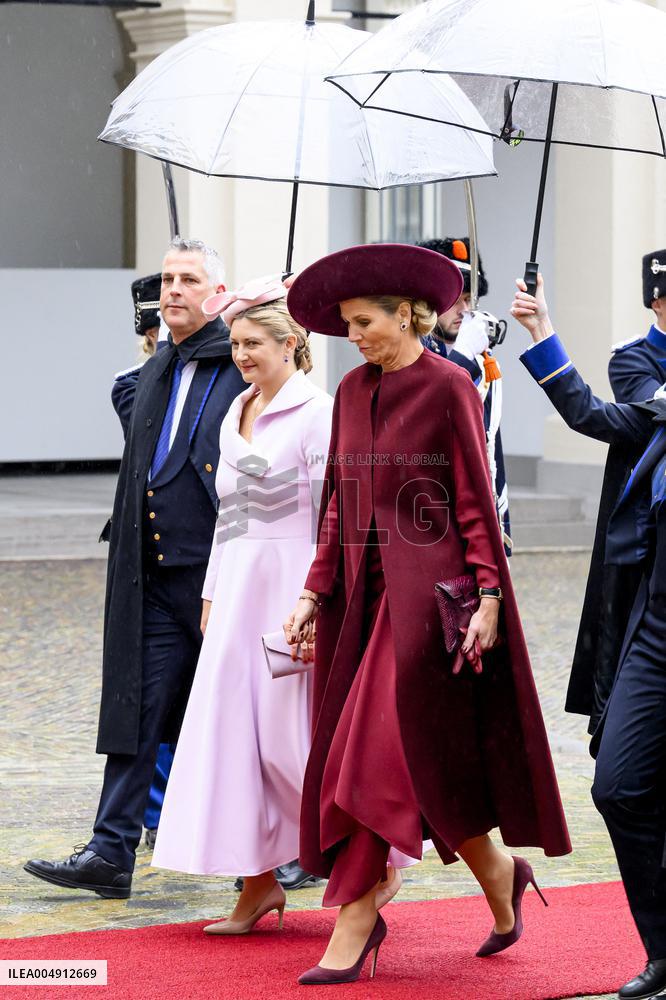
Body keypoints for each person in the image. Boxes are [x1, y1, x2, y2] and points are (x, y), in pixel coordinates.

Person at [283, 243, 571, 986]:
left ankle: (355, 915)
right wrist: (316, 591)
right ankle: (500, 875)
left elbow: (475, 499)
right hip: (358, 601)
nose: (354, 336)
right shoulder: (350, 393)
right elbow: (339, 504)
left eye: (365, 322)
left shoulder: (451, 386)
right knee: (421, 764)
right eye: (346, 325)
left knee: (370, 755)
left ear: (407, 315)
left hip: (429, 604)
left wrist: (491, 598)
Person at [24, 237, 246, 899]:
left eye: (189, 279)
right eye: (169, 278)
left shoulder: (237, 365)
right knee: (136, 715)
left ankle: (264, 856)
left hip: (218, 579)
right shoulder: (153, 371)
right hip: (152, 580)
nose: (173, 289)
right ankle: (110, 851)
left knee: (237, 718)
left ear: (216, 293)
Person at [151, 275, 333, 933]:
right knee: (233, 740)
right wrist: (210, 593)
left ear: (291, 343)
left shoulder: (320, 413)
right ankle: (257, 886)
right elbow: (230, 512)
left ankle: (367, 862)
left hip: (293, 593)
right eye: (235, 342)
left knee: (292, 742)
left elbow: (334, 514)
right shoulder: (238, 410)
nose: (242, 354)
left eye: (254, 342)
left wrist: (317, 598)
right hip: (234, 595)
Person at [513, 272, 666, 1000]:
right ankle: (665, 948)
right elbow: (600, 416)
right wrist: (543, 333)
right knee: (620, 784)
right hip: (655, 618)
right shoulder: (646, 377)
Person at [566, 248, 666, 733]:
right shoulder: (634, 359)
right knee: (622, 661)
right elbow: (601, 414)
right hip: (640, 544)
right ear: (658, 301)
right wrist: (544, 335)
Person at [418, 237, 511, 555]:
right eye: (454, 299)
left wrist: (502, 527)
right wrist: (461, 358)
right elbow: (430, 421)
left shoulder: (481, 361)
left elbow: (491, 447)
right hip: (430, 513)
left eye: (469, 298)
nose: (464, 310)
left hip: (478, 511)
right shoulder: (412, 355)